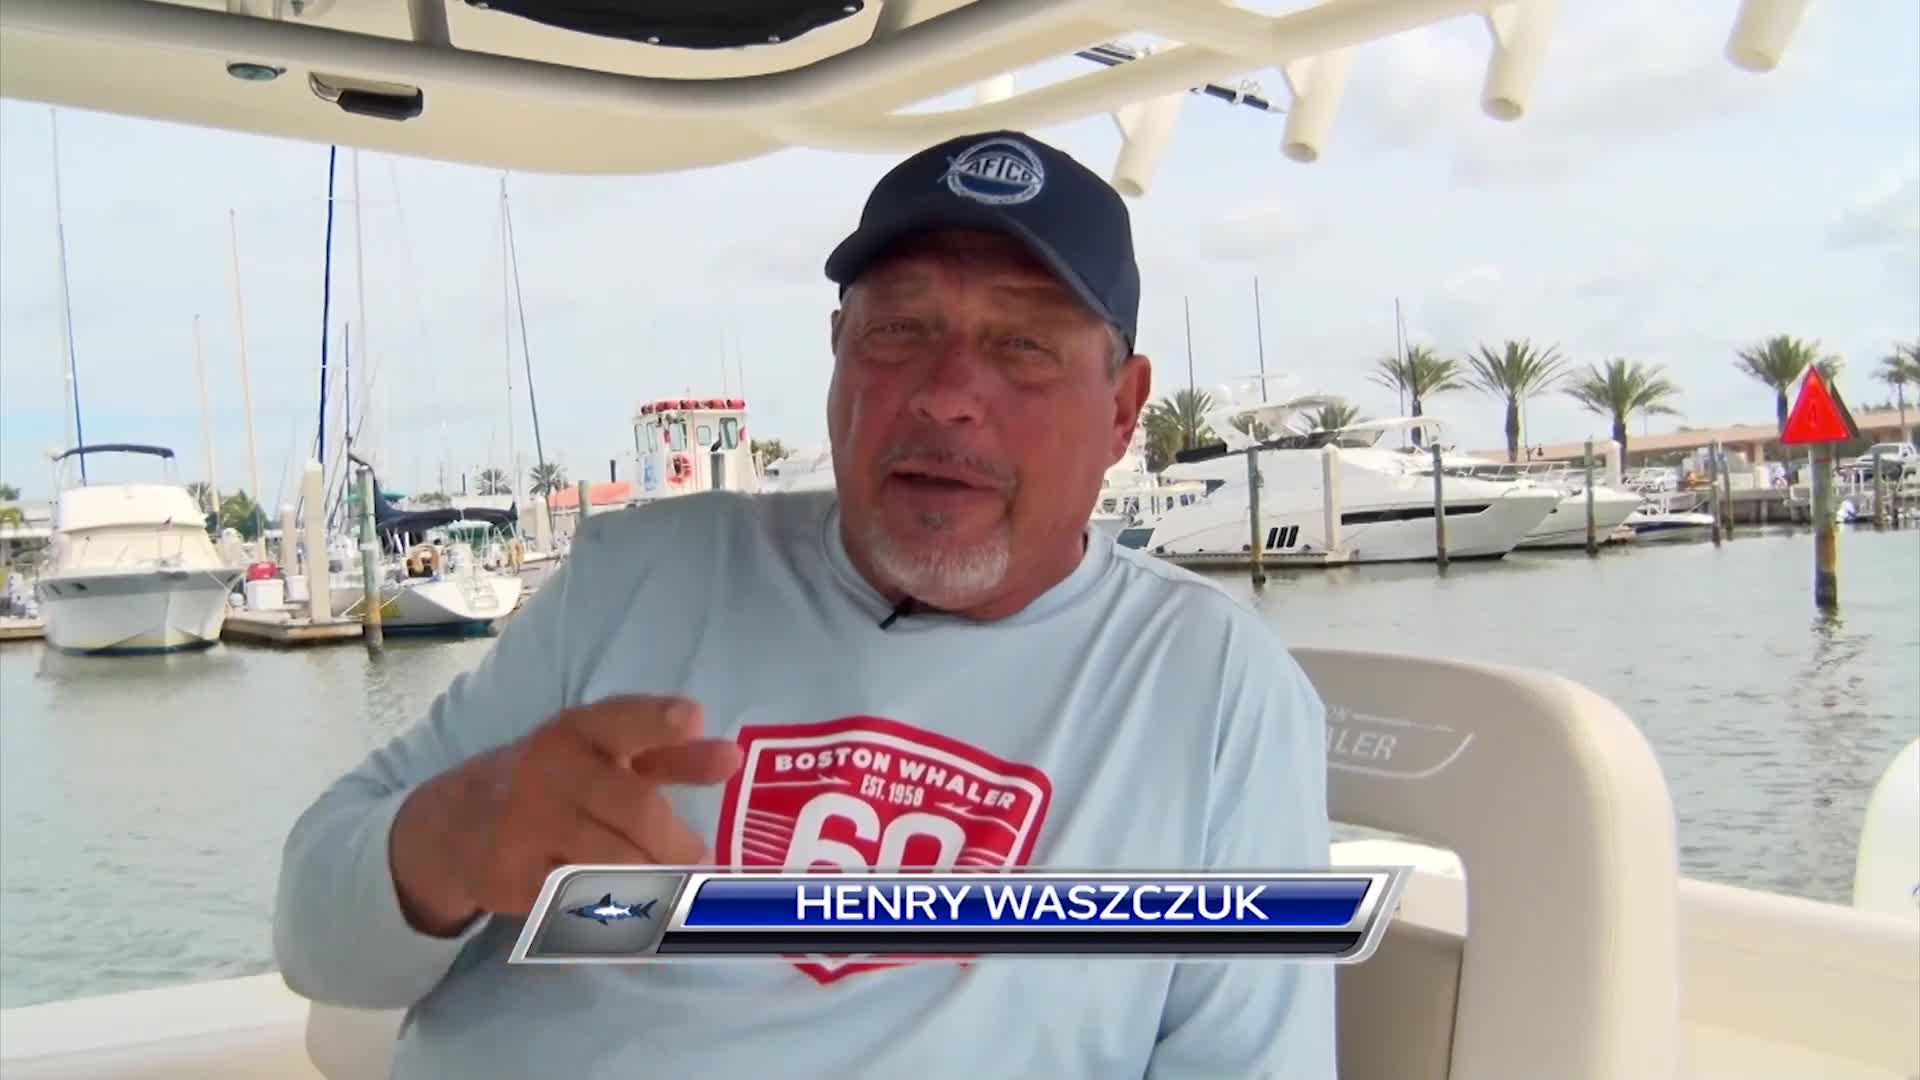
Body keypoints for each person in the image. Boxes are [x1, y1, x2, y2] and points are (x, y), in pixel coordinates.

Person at [274, 129, 1335, 1079]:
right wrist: (447, 845)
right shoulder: (634, 577)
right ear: (838, 355)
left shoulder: (1215, 692)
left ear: (1123, 409)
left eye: (1023, 345)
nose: (945, 391)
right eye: (901, 330)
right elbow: (314, 938)